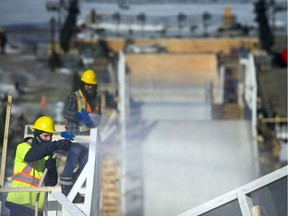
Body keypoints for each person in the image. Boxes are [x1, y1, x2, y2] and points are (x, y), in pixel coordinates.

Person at [5, 116, 71, 216]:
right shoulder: (23, 147)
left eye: (51, 136)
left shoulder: (50, 155)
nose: (49, 139)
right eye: (46, 136)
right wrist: (56, 144)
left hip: (37, 206)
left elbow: (51, 183)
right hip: (19, 201)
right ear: (36, 135)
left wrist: (52, 169)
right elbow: (31, 155)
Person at [60, 69, 101, 200]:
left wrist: (92, 119)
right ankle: (65, 191)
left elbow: (99, 117)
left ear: (95, 86)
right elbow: (66, 113)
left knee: (86, 164)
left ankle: (74, 190)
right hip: (75, 137)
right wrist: (80, 116)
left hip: (89, 138)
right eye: (86, 84)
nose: (89, 87)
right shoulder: (74, 96)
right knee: (72, 162)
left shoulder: (96, 99)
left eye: (91, 85)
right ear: (83, 84)